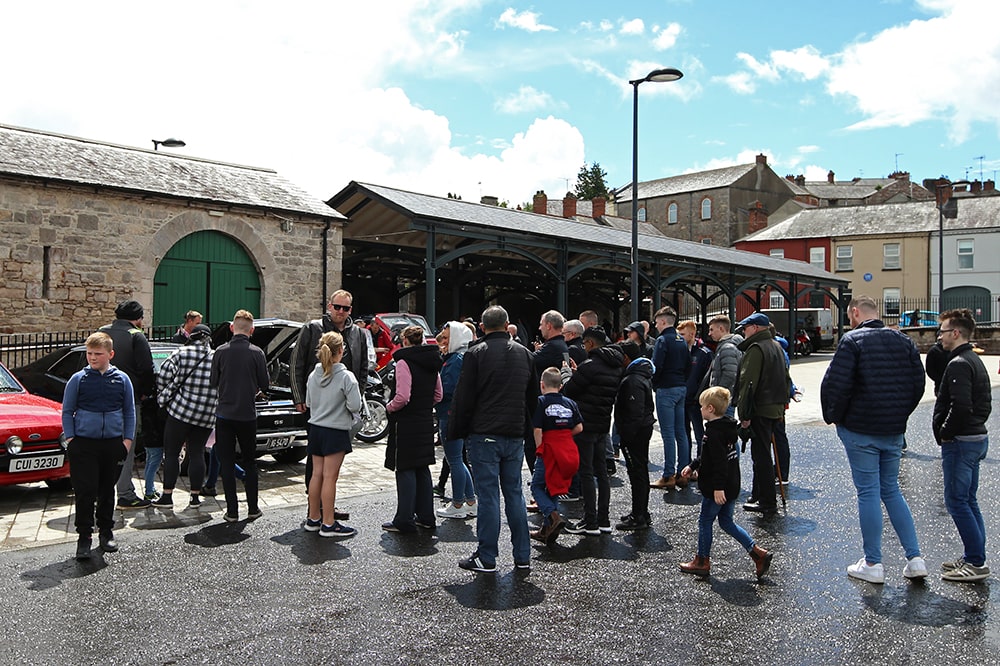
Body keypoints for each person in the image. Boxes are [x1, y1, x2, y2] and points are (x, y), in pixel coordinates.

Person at [821, 295, 927, 584]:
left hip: (860, 428)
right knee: (891, 490)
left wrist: (835, 417)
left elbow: (837, 385)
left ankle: (873, 562)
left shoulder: (853, 341)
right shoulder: (904, 341)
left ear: (855, 313)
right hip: (892, 428)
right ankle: (914, 558)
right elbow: (918, 383)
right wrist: (900, 413)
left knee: (868, 492)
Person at [449, 305, 537, 573]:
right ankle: (522, 555)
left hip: (485, 432)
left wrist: (455, 431)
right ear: (507, 323)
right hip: (514, 433)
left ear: (483, 328)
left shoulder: (476, 354)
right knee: (515, 494)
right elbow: (532, 398)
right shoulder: (526, 354)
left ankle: (487, 555)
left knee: (488, 496)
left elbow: (464, 397)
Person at [678, 387, 773, 579]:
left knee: (705, 520)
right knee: (726, 522)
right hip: (731, 485)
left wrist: (718, 488)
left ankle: (702, 560)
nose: (700, 410)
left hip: (717, 488)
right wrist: (693, 465)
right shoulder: (726, 428)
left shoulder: (713, 434)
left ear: (710, 409)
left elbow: (720, 463)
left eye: (702, 407)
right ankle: (757, 553)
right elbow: (710, 456)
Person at [289, 289, 369, 500]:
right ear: (329, 306)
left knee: (333, 465)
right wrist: (298, 397)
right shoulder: (312, 328)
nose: (341, 311)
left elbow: (363, 370)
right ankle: (315, 508)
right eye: (337, 306)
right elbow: (296, 363)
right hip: (317, 406)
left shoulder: (358, 334)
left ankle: (326, 507)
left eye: (345, 308)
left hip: (343, 409)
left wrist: (357, 399)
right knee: (316, 463)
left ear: (350, 309)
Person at [62, 332, 136, 560]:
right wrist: (72, 438)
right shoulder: (78, 379)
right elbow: (67, 411)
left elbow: (129, 411)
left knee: (106, 490)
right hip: (84, 444)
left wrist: (127, 441)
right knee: (85, 492)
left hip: (113, 444)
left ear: (110, 354)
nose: (92, 358)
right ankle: (84, 536)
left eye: (98, 354)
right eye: (89, 353)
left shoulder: (122, 379)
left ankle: (106, 531)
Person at [933, 309, 992, 582]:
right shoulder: (973, 359)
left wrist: (945, 433)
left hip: (961, 442)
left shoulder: (958, 363)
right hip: (976, 438)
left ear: (955, 333)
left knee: (957, 501)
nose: (939, 336)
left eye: (943, 331)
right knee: (968, 500)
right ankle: (973, 555)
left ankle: (976, 563)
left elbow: (961, 406)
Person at [561, 327, 624, 535]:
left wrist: (568, 375)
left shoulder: (589, 366)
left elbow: (570, 390)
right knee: (601, 473)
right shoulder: (615, 366)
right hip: (603, 422)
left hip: (585, 424)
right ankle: (603, 519)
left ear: (589, 343)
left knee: (586, 472)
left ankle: (590, 520)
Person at [210, 310, 269, 522]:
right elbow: (265, 383)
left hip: (225, 414)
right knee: (250, 461)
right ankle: (253, 507)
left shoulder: (220, 351)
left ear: (232, 328)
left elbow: (213, 382)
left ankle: (232, 511)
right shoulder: (257, 353)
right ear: (252, 330)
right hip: (247, 415)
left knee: (226, 463)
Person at [383, 326, 443, 533]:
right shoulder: (432, 361)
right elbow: (438, 395)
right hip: (425, 420)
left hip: (407, 422)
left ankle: (404, 519)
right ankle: (426, 517)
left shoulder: (403, 362)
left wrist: (388, 408)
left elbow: (402, 397)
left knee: (406, 468)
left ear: (405, 341)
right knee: (422, 468)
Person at [152, 324, 216, 510]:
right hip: (205, 415)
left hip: (180, 412)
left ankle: (167, 496)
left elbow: (162, 378)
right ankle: (195, 498)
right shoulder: (216, 357)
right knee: (197, 454)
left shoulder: (180, 353)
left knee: (172, 453)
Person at [304, 331, 360, 537]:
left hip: (316, 429)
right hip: (335, 430)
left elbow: (309, 403)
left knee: (316, 474)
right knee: (330, 477)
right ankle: (329, 523)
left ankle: (313, 518)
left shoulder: (313, 375)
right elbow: (355, 405)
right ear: (341, 350)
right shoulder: (346, 376)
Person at [100, 299, 154, 509]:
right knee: (125, 447)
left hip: (99, 400)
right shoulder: (136, 336)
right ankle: (125, 494)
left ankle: (100, 494)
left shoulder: (102, 332)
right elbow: (146, 369)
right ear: (138, 318)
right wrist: (145, 393)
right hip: (127, 401)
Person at [735, 312, 790, 516]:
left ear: (756, 328)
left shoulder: (756, 348)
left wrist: (744, 414)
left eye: (746, 327)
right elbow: (786, 379)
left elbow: (747, 384)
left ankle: (767, 501)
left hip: (760, 408)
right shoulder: (775, 346)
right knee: (762, 453)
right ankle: (759, 495)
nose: (743, 331)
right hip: (774, 407)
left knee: (761, 456)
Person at [529, 367, 583, 546]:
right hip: (568, 451)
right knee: (553, 488)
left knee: (537, 486)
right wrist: (565, 434)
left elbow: (537, 429)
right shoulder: (569, 403)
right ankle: (546, 529)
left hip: (549, 450)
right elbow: (580, 427)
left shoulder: (540, 402)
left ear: (541, 385)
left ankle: (553, 516)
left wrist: (540, 448)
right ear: (560, 386)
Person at [435, 322, 478, 520]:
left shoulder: (454, 360)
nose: (442, 342)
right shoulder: (460, 357)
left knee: (455, 461)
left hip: (449, 414)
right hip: (455, 413)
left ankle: (458, 503)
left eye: (445, 338)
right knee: (458, 460)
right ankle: (470, 501)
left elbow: (446, 390)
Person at [614, 340, 656, 530]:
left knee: (637, 473)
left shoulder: (632, 380)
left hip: (636, 433)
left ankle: (639, 515)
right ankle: (640, 512)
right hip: (643, 428)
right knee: (640, 472)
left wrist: (625, 436)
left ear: (626, 357)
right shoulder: (640, 374)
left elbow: (634, 412)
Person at [649, 305, 690, 490]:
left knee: (668, 433)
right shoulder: (681, 340)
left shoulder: (662, 341)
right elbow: (689, 365)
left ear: (664, 321)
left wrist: (654, 384)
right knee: (681, 432)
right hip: (681, 386)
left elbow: (656, 367)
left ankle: (668, 475)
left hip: (666, 387)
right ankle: (683, 473)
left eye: (657, 322)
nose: (656, 325)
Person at [678, 320, 713, 456]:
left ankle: (701, 465)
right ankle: (685, 466)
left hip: (697, 401)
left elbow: (707, 378)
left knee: (700, 436)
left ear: (692, 334)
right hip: (682, 399)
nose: (679, 337)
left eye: (682, 334)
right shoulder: (680, 351)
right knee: (683, 435)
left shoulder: (704, 353)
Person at [704, 315, 743, 417]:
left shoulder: (727, 348)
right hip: (726, 399)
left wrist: (718, 396)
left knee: (723, 428)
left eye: (712, 329)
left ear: (721, 328)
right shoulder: (728, 345)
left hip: (723, 401)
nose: (709, 333)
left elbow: (730, 375)